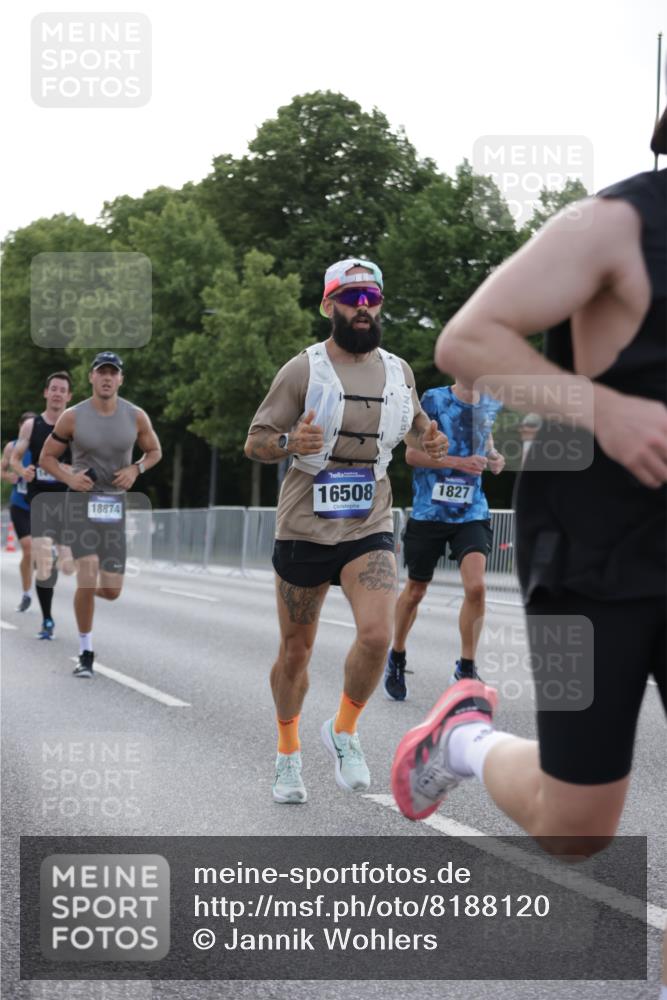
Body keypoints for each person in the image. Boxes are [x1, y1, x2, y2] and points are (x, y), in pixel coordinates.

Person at [391, 124, 666, 994]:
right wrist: (604, 409)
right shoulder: (613, 225)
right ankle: (462, 741)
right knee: (577, 824)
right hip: (594, 553)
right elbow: (469, 340)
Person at [244, 258, 448, 804]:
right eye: (351, 298)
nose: (363, 308)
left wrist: (431, 443)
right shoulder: (301, 371)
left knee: (379, 635)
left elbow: (417, 430)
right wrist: (290, 445)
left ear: (381, 305)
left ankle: (344, 730)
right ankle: (288, 754)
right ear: (328, 305)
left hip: (369, 519)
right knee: (295, 652)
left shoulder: (400, 371)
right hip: (305, 525)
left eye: (371, 298)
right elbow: (257, 441)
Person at [39, 352, 162, 676]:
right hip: (81, 502)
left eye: (113, 373)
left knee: (111, 590)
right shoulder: (72, 416)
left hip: (114, 505)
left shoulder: (135, 417)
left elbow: (155, 451)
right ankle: (86, 652)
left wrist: (136, 469)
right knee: (88, 569)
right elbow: (47, 458)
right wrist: (68, 477)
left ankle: (83, 587)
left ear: (120, 379)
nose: (107, 377)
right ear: (91, 377)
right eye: (101, 372)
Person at [384, 379, 504, 701]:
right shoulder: (433, 400)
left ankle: (466, 667)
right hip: (430, 512)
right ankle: (396, 655)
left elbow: (485, 436)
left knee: (476, 587)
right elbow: (411, 454)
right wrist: (458, 462)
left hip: (471, 511)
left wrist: (492, 455)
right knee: (415, 591)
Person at [10, 374, 74, 639]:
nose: (58, 394)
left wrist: (72, 470)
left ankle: (62, 553)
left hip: (66, 502)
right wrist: (22, 470)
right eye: (54, 389)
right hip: (38, 502)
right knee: (44, 564)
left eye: (63, 390)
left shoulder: (74, 425)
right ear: (46, 393)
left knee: (68, 564)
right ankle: (47, 620)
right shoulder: (31, 426)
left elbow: (87, 460)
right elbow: (14, 458)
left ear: (69, 397)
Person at [1, 412, 37, 611]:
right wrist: (10, 477)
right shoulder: (12, 447)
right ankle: (26, 594)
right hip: (20, 504)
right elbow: (1, 470)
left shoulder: (46, 445)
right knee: (28, 548)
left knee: (39, 552)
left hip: (41, 504)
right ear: (21, 427)